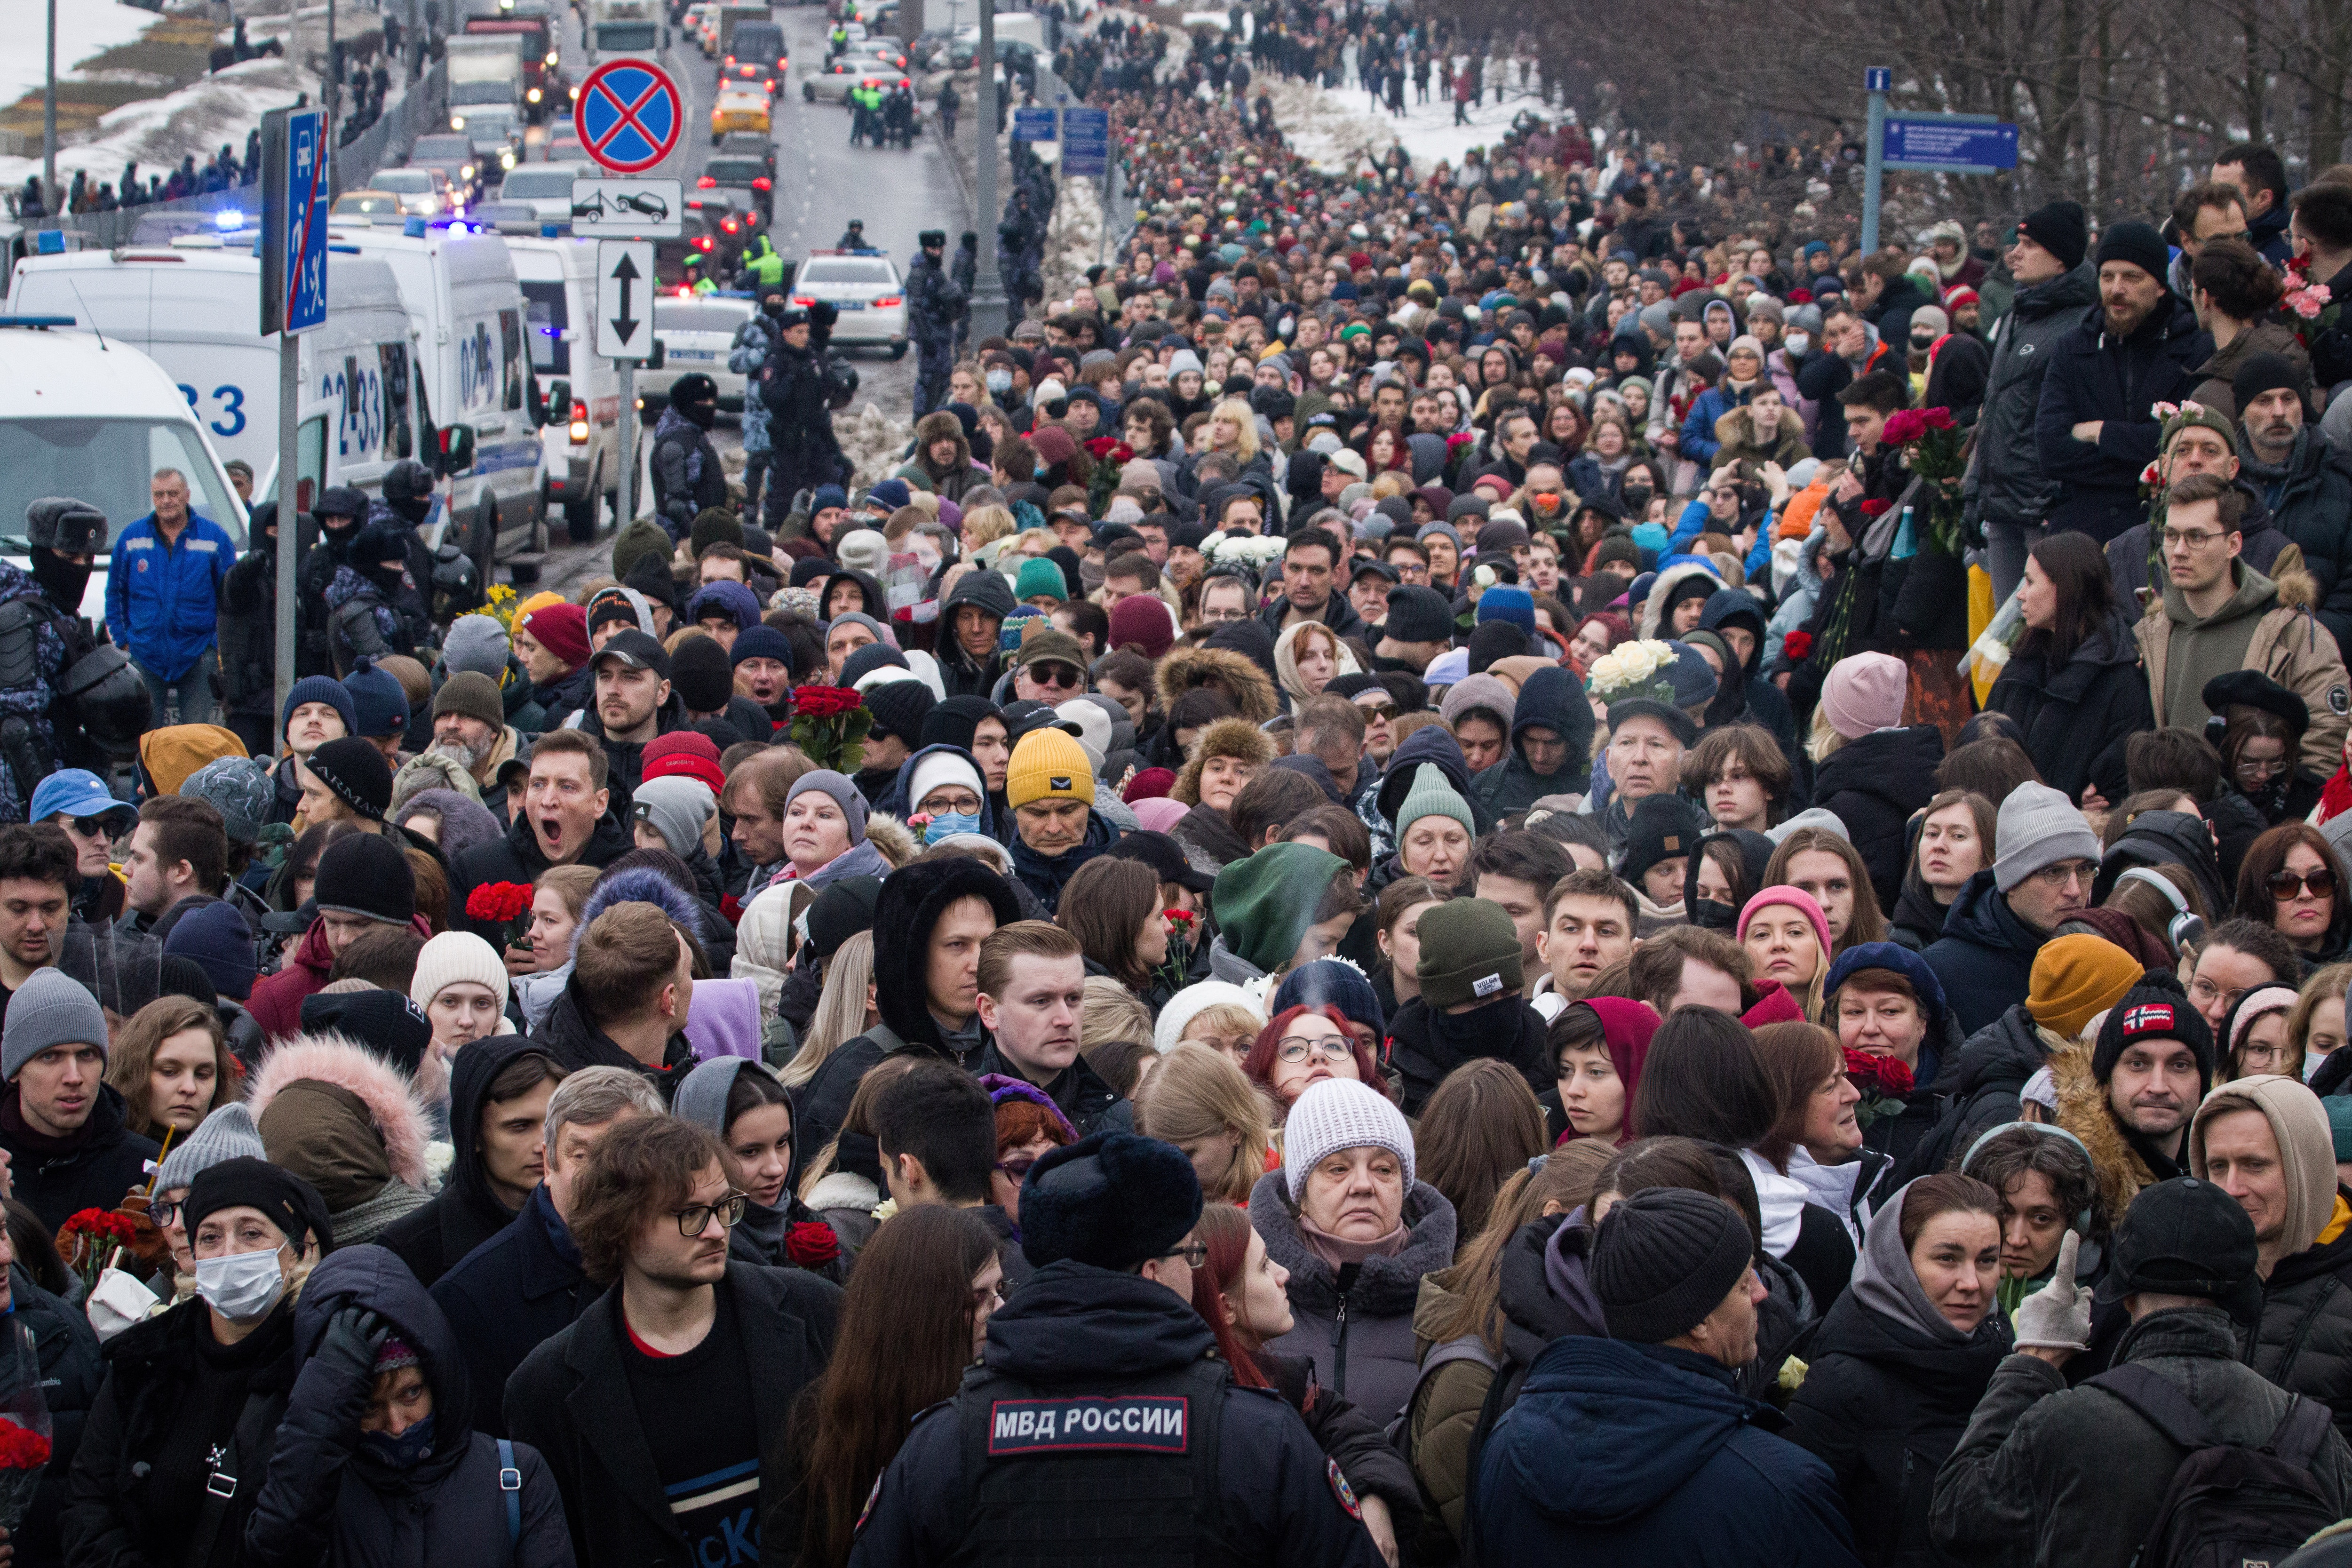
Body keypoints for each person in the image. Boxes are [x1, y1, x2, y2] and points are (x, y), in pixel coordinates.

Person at [847, 1129, 1383, 1567]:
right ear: (1153, 1272)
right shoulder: (1255, 1438)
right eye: (1190, 1255)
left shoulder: (943, 1445)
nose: (1195, 1271)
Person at [1931, 1177, 2352, 1568]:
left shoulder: (2069, 1420)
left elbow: (1958, 1516)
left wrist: (2033, 1361)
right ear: (2242, 1298)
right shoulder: (2316, 1437)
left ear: (2127, 1295)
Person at [504, 1114, 840, 1568]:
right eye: (689, 1215)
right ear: (619, 1224)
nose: (718, 1231)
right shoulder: (548, 1387)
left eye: (724, 1206)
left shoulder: (813, 1312)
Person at [1471, 1185, 1864, 1566]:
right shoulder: (1782, 1488)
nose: (1762, 1293)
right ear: (1699, 1322)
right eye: (1745, 1283)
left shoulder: (1506, 1445)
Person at [62, 1158, 332, 1568]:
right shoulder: (146, 1356)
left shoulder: (320, 1361)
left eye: (251, 1233)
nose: (230, 1253)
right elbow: (89, 1506)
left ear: (295, 1249)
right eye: (210, 1237)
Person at [239, 1242, 574, 1568]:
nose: (398, 1425)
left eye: (411, 1393)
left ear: (438, 1377)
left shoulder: (513, 1476)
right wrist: (322, 1405)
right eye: (370, 1408)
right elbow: (278, 1551)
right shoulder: (312, 1489)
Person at [1782, 1175, 2012, 1567]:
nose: (1971, 1283)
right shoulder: (1844, 1383)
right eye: (1947, 1259)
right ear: (1897, 1261)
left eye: (1987, 1260)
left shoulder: (2006, 1360)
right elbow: (1793, 1532)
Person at [430, 1066, 664, 1439]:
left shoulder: (698, 1264)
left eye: (622, 1154)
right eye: (582, 1154)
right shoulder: (469, 1299)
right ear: (548, 1163)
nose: (599, 1175)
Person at [787, 1203, 1003, 1568]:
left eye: (1000, 1289)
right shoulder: (822, 1427)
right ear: (922, 1313)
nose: (1000, 1310)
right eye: (978, 1297)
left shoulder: (1000, 1409)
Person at [1247, 1078, 1458, 1429]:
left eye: (1384, 1169)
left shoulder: (1450, 1300)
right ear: (1301, 1190)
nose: (1362, 1185)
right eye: (1338, 1168)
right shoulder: (1248, 1291)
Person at [792, 856, 1022, 1154]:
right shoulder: (856, 1072)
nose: (978, 964)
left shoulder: (1015, 1049)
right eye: (957, 945)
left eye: (989, 944)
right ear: (913, 953)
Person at [2136, 474, 2352, 778]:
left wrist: (2279, 813)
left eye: (2197, 537)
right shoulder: (2153, 633)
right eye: (2171, 536)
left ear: (2233, 544)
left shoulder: (2292, 631)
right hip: (2171, 815)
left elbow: (2325, 743)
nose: (2179, 550)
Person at [2189, 1073, 2352, 1433]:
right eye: (2218, 1167)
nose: (2232, 1188)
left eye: (2254, 1165)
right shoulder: (2186, 1276)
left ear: (2307, 1166)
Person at [2033, 220, 2202, 543]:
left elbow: (2185, 446)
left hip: (2163, 532)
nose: (2116, 289)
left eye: (2132, 277)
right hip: (2080, 535)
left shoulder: (2192, 347)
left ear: (2161, 285)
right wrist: (2143, 458)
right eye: (2107, 277)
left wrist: (2101, 432)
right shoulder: (2075, 347)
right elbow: (2051, 450)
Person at [1965, 203, 2098, 601]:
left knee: (2049, 627)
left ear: (2060, 258)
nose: (2014, 254)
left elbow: (2077, 415)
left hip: (2042, 508)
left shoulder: (2083, 323)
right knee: (2009, 643)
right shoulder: (2015, 314)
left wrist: (2054, 492)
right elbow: (1992, 408)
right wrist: (1974, 490)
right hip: (2002, 503)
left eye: (2028, 245)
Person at [1987, 531, 2155, 809]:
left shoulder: (2122, 683)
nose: (2020, 595)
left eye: (2030, 582)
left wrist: (2090, 801)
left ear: (2065, 588)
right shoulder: (2021, 666)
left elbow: (2123, 782)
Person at [380, 1038, 564, 1289]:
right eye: (520, 1127)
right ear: (473, 1134)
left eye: (553, 1126)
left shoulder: (593, 1228)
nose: (542, 1145)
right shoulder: (408, 1250)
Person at [1923, 782, 2105, 1034]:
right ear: (2011, 881)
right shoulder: (1941, 972)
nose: (2075, 890)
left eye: (2085, 870)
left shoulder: (2107, 955)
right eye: (2054, 872)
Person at [0, 968, 162, 1231]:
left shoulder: (145, 1167)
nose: (74, 1077)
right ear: (16, 1070)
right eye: (50, 1057)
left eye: (87, 1054)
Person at [446, 732, 633, 956]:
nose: (548, 800)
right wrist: (501, 978)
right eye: (538, 785)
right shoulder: (474, 870)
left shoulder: (631, 876)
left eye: (567, 787)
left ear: (600, 802)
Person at [2054, 974, 2215, 1230]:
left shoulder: (2226, 1172)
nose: (2158, 1086)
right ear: (2106, 1080)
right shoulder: (2065, 1182)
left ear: (2203, 1083)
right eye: (2138, 1064)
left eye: (2180, 1065)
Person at [673, 1055, 845, 1275]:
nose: (776, 1169)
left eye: (782, 1143)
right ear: (703, 1149)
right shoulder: (689, 1246)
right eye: (750, 1152)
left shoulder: (809, 1225)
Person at [1385, 896, 1553, 1115]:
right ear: (1442, 1003)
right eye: (1479, 1000)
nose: (1499, 1009)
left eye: (1509, 992)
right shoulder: (1405, 1072)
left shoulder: (1548, 1051)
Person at [104, 468, 235, 726]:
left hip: (198, 655)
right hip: (144, 655)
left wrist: (216, 645)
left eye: (173, 494)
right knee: (146, 741)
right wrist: (123, 642)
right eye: (159, 494)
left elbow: (230, 599)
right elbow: (115, 593)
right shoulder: (132, 538)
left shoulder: (214, 538)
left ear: (187, 495)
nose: (166, 500)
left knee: (195, 739)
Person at [971, 922, 1127, 1135]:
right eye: (1042, 1001)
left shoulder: (1128, 1124)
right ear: (989, 1011)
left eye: (1074, 999)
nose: (1066, 1019)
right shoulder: (952, 1120)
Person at [650, 374, 728, 541]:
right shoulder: (677, 443)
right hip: (683, 543)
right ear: (686, 404)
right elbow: (676, 505)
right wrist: (699, 538)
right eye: (702, 403)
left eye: (712, 402)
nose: (710, 407)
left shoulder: (694, 434)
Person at [906, 230, 967, 418]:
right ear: (925, 248)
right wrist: (926, 339)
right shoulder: (919, 273)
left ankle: (938, 413)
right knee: (928, 378)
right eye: (933, 248)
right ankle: (923, 417)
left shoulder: (936, 271)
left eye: (940, 248)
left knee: (944, 376)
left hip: (942, 332)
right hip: (929, 334)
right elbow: (915, 309)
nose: (938, 252)